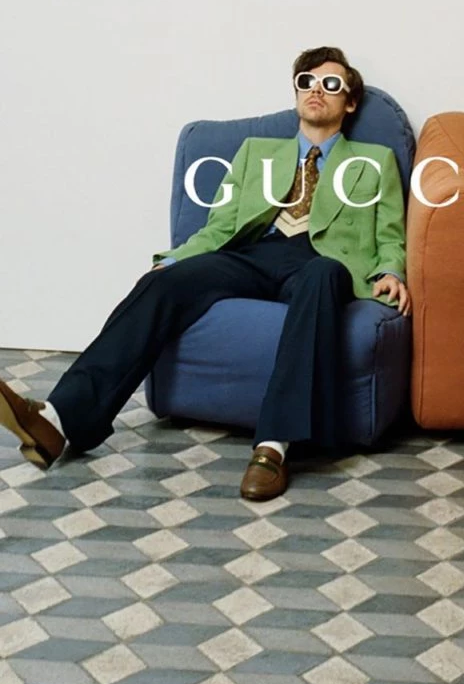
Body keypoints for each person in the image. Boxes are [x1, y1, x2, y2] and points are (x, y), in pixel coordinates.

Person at [0, 46, 410, 500]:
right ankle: (59, 419)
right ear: (296, 93)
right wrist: (178, 258)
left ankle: (274, 446)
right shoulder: (255, 152)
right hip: (254, 252)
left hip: (321, 261)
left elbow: (390, 233)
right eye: (306, 81)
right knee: (161, 282)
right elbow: (221, 223)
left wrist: (390, 270)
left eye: (331, 84)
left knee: (323, 277)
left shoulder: (375, 161)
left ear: (349, 102)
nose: (317, 90)